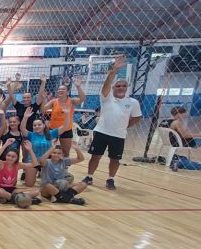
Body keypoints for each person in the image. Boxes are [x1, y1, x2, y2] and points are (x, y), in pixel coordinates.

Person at [84, 55, 142, 190]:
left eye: (123, 86)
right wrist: (114, 70)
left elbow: (137, 117)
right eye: (118, 86)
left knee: (115, 159)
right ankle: (89, 176)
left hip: (119, 135)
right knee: (95, 156)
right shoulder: (106, 97)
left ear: (127, 88)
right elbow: (106, 84)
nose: (121, 88)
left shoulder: (133, 102)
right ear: (114, 87)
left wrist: (127, 125)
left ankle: (111, 179)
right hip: (101, 132)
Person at [20, 104, 71, 187]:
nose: (37, 127)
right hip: (33, 161)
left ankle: (44, 174)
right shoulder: (31, 135)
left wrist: (67, 114)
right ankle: (33, 173)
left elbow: (65, 127)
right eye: (35, 125)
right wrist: (25, 117)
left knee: (50, 184)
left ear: (44, 125)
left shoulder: (50, 134)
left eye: (39, 125)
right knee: (29, 184)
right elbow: (22, 128)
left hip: (46, 162)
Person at [0, 139, 42, 207]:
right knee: (0, 192)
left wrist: (30, 150)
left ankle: (12, 199)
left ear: (17, 158)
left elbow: (35, 164)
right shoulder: (1, 164)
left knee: (36, 192)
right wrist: (5, 145)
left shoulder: (18, 165)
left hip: (12, 189)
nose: (10, 158)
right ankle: (24, 200)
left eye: (13, 156)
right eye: (8, 155)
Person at [42, 75, 85, 156]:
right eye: (59, 89)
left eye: (63, 89)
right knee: (49, 152)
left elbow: (82, 99)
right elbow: (43, 109)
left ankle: (64, 168)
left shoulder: (71, 101)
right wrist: (44, 98)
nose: (60, 90)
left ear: (67, 92)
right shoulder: (54, 101)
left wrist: (78, 87)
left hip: (66, 130)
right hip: (53, 129)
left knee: (65, 153)